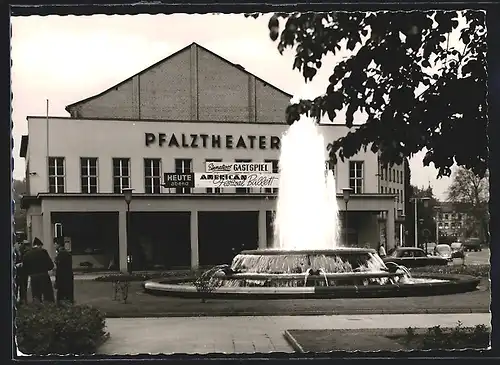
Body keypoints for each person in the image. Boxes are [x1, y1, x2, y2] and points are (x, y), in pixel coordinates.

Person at [22, 237, 55, 303]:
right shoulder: (43, 252)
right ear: (39, 245)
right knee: (48, 296)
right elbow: (51, 266)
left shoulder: (27, 254)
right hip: (44, 276)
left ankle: (37, 310)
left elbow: (25, 268)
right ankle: (49, 309)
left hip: (33, 277)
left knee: (36, 296)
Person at [14, 240, 31, 304]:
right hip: (18, 272)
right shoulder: (16, 251)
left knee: (23, 286)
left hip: (23, 272)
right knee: (18, 286)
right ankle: (18, 300)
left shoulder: (23, 251)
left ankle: (22, 300)